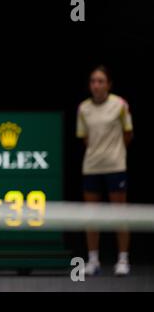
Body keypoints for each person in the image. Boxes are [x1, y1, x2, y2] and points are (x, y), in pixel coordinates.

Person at [76, 65, 133, 276]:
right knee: (92, 216)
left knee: (120, 214)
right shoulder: (83, 108)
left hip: (116, 166)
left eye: (100, 81)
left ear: (108, 84)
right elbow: (85, 138)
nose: (96, 85)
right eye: (93, 81)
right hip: (91, 167)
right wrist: (98, 153)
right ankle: (93, 260)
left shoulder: (120, 105)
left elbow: (128, 134)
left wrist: (114, 153)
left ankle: (123, 260)